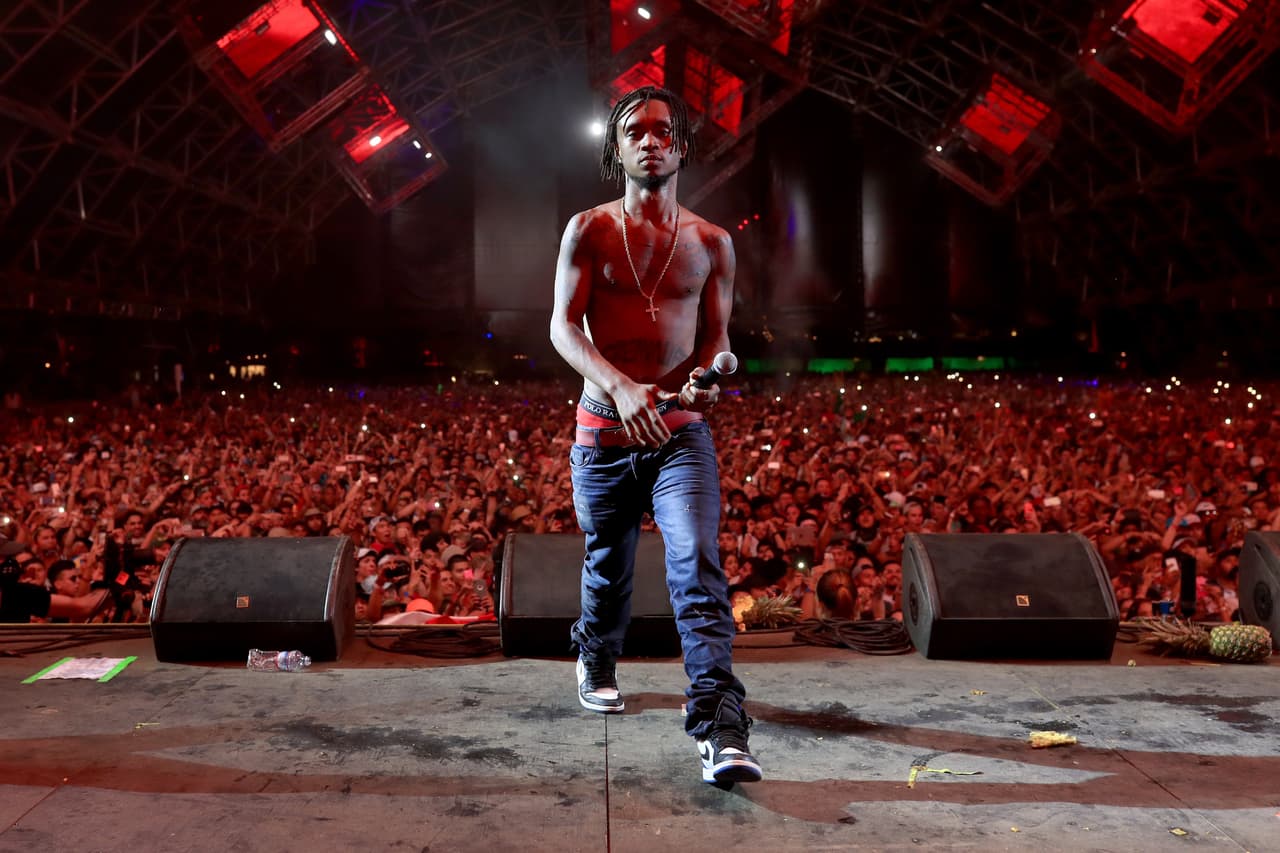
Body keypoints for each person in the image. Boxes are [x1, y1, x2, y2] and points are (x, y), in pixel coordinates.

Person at [549, 84, 760, 785]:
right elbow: (561, 327)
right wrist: (619, 384)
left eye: (661, 130)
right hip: (604, 431)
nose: (649, 140)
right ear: (616, 149)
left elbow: (717, 340)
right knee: (608, 566)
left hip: (679, 434)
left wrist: (708, 375)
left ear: (680, 146)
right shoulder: (588, 229)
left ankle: (720, 723)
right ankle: (596, 654)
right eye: (634, 130)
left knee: (696, 559)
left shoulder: (712, 243)